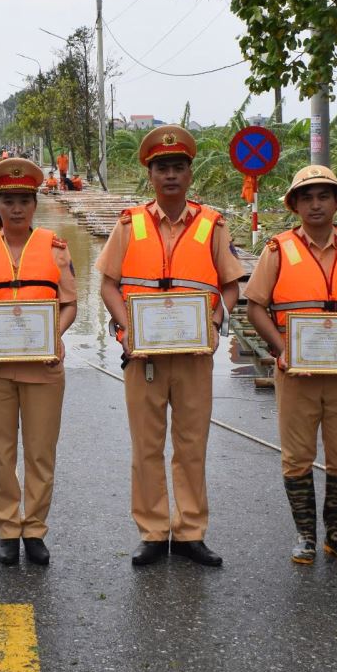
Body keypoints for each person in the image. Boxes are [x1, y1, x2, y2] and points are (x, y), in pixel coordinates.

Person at [96, 126, 245, 567]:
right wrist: (127, 331)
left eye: (178, 167)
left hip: (194, 356)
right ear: (151, 175)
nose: (171, 175)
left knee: (191, 443)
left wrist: (216, 321)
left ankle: (190, 532)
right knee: (146, 445)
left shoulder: (212, 224)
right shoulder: (129, 224)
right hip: (142, 357)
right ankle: (153, 531)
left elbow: (232, 285)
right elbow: (107, 285)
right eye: (162, 168)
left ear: (189, 173)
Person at [243, 165, 337, 566]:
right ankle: (306, 536)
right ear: (294, 204)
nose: (315, 204)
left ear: (336, 201)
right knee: (297, 456)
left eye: (323, 196)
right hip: (297, 373)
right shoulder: (277, 249)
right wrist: (280, 349)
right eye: (306, 197)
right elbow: (256, 305)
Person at [0, 159, 76, 566]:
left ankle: (35, 528)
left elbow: (71, 305)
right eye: (9, 200)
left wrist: (54, 334)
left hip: (43, 368)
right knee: (0, 453)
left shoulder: (56, 248)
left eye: (25, 200)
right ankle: (8, 528)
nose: (17, 208)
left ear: (35, 204)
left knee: (41, 452)